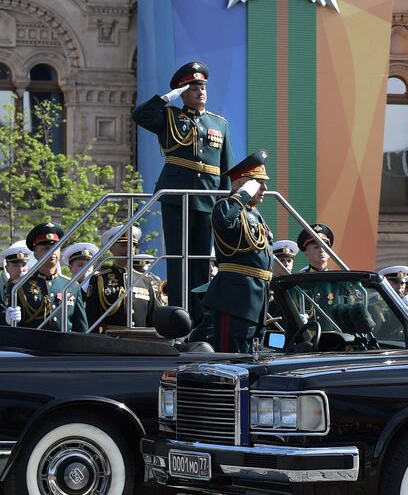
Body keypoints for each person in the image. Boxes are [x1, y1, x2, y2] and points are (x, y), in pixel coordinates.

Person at [131, 61, 231, 320]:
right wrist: (167, 98)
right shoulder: (169, 116)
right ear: (182, 92)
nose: (200, 92)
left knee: (200, 260)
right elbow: (139, 115)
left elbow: (225, 167)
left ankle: (198, 316)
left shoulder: (219, 124)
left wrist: (226, 201)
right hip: (176, 194)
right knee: (178, 258)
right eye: (193, 88)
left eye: (203, 87)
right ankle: (179, 314)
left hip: (208, 197)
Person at [202, 151, 274, 352]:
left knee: (252, 357)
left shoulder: (254, 213)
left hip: (257, 300)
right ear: (244, 183)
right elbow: (225, 221)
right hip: (235, 299)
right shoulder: (226, 206)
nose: (265, 188)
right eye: (258, 183)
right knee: (231, 358)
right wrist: (243, 194)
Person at [13, 222, 88, 332]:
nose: (52, 251)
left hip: (64, 345)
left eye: (55, 247)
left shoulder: (72, 286)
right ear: (35, 254)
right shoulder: (19, 286)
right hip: (33, 346)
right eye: (45, 248)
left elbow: (81, 327)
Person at [86, 225, 163, 332]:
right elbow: (92, 317)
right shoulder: (99, 279)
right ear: (111, 248)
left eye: (131, 246)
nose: (128, 250)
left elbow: (152, 317)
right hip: (111, 340)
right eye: (123, 245)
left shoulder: (145, 280)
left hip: (142, 340)